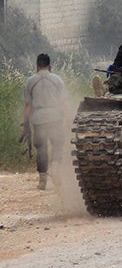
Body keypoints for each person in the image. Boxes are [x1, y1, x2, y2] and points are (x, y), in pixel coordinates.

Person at [23, 53, 69, 190]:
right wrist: (68, 119)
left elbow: (28, 106)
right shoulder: (57, 80)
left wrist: (25, 123)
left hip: (38, 119)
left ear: (37, 65)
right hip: (55, 117)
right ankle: (55, 169)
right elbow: (64, 102)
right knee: (57, 145)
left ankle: (42, 181)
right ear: (50, 65)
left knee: (41, 149)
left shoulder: (30, 81)